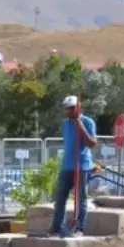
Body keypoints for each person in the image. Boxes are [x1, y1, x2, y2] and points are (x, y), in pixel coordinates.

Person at [49, 95, 97, 236]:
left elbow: (92, 143)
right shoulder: (65, 124)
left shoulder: (88, 122)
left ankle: (80, 228)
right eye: (67, 109)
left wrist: (79, 123)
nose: (69, 111)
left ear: (78, 107)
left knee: (80, 198)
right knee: (60, 197)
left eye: (72, 108)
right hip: (67, 165)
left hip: (81, 165)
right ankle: (56, 227)